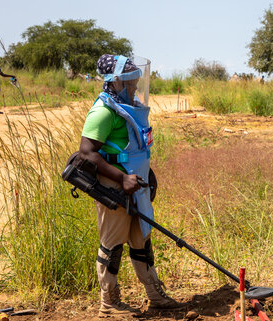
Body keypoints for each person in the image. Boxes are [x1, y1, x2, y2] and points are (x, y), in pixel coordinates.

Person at [78, 54, 186, 317]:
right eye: (130, 84)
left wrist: (148, 174)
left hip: (138, 185)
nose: (135, 88)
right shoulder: (103, 111)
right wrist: (121, 178)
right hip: (114, 186)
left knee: (142, 239)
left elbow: (136, 148)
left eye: (137, 83)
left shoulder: (130, 107)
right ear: (114, 82)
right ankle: (109, 303)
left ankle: (155, 295)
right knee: (112, 245)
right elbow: (86, 153)